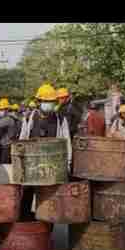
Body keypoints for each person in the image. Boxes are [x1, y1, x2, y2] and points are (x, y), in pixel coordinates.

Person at [19, 84, 72, 219]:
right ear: (38, 102)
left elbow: (66, 142)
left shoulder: (61, 119)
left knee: (48, 201)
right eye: (46, 101)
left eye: (51, 102)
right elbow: (22, 139)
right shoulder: (29, 118)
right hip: (31, 164)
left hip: (52, 167)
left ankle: (46, 229)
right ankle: (25, 223)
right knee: (27, 195)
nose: (49, 104)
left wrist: (68, 164)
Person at [0, 99, 22, 165]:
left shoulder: (7, 119)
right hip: (11, 143)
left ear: (6, 110)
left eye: (1, 110)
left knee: (4, 164)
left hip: (5, 145)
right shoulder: (14, 118)